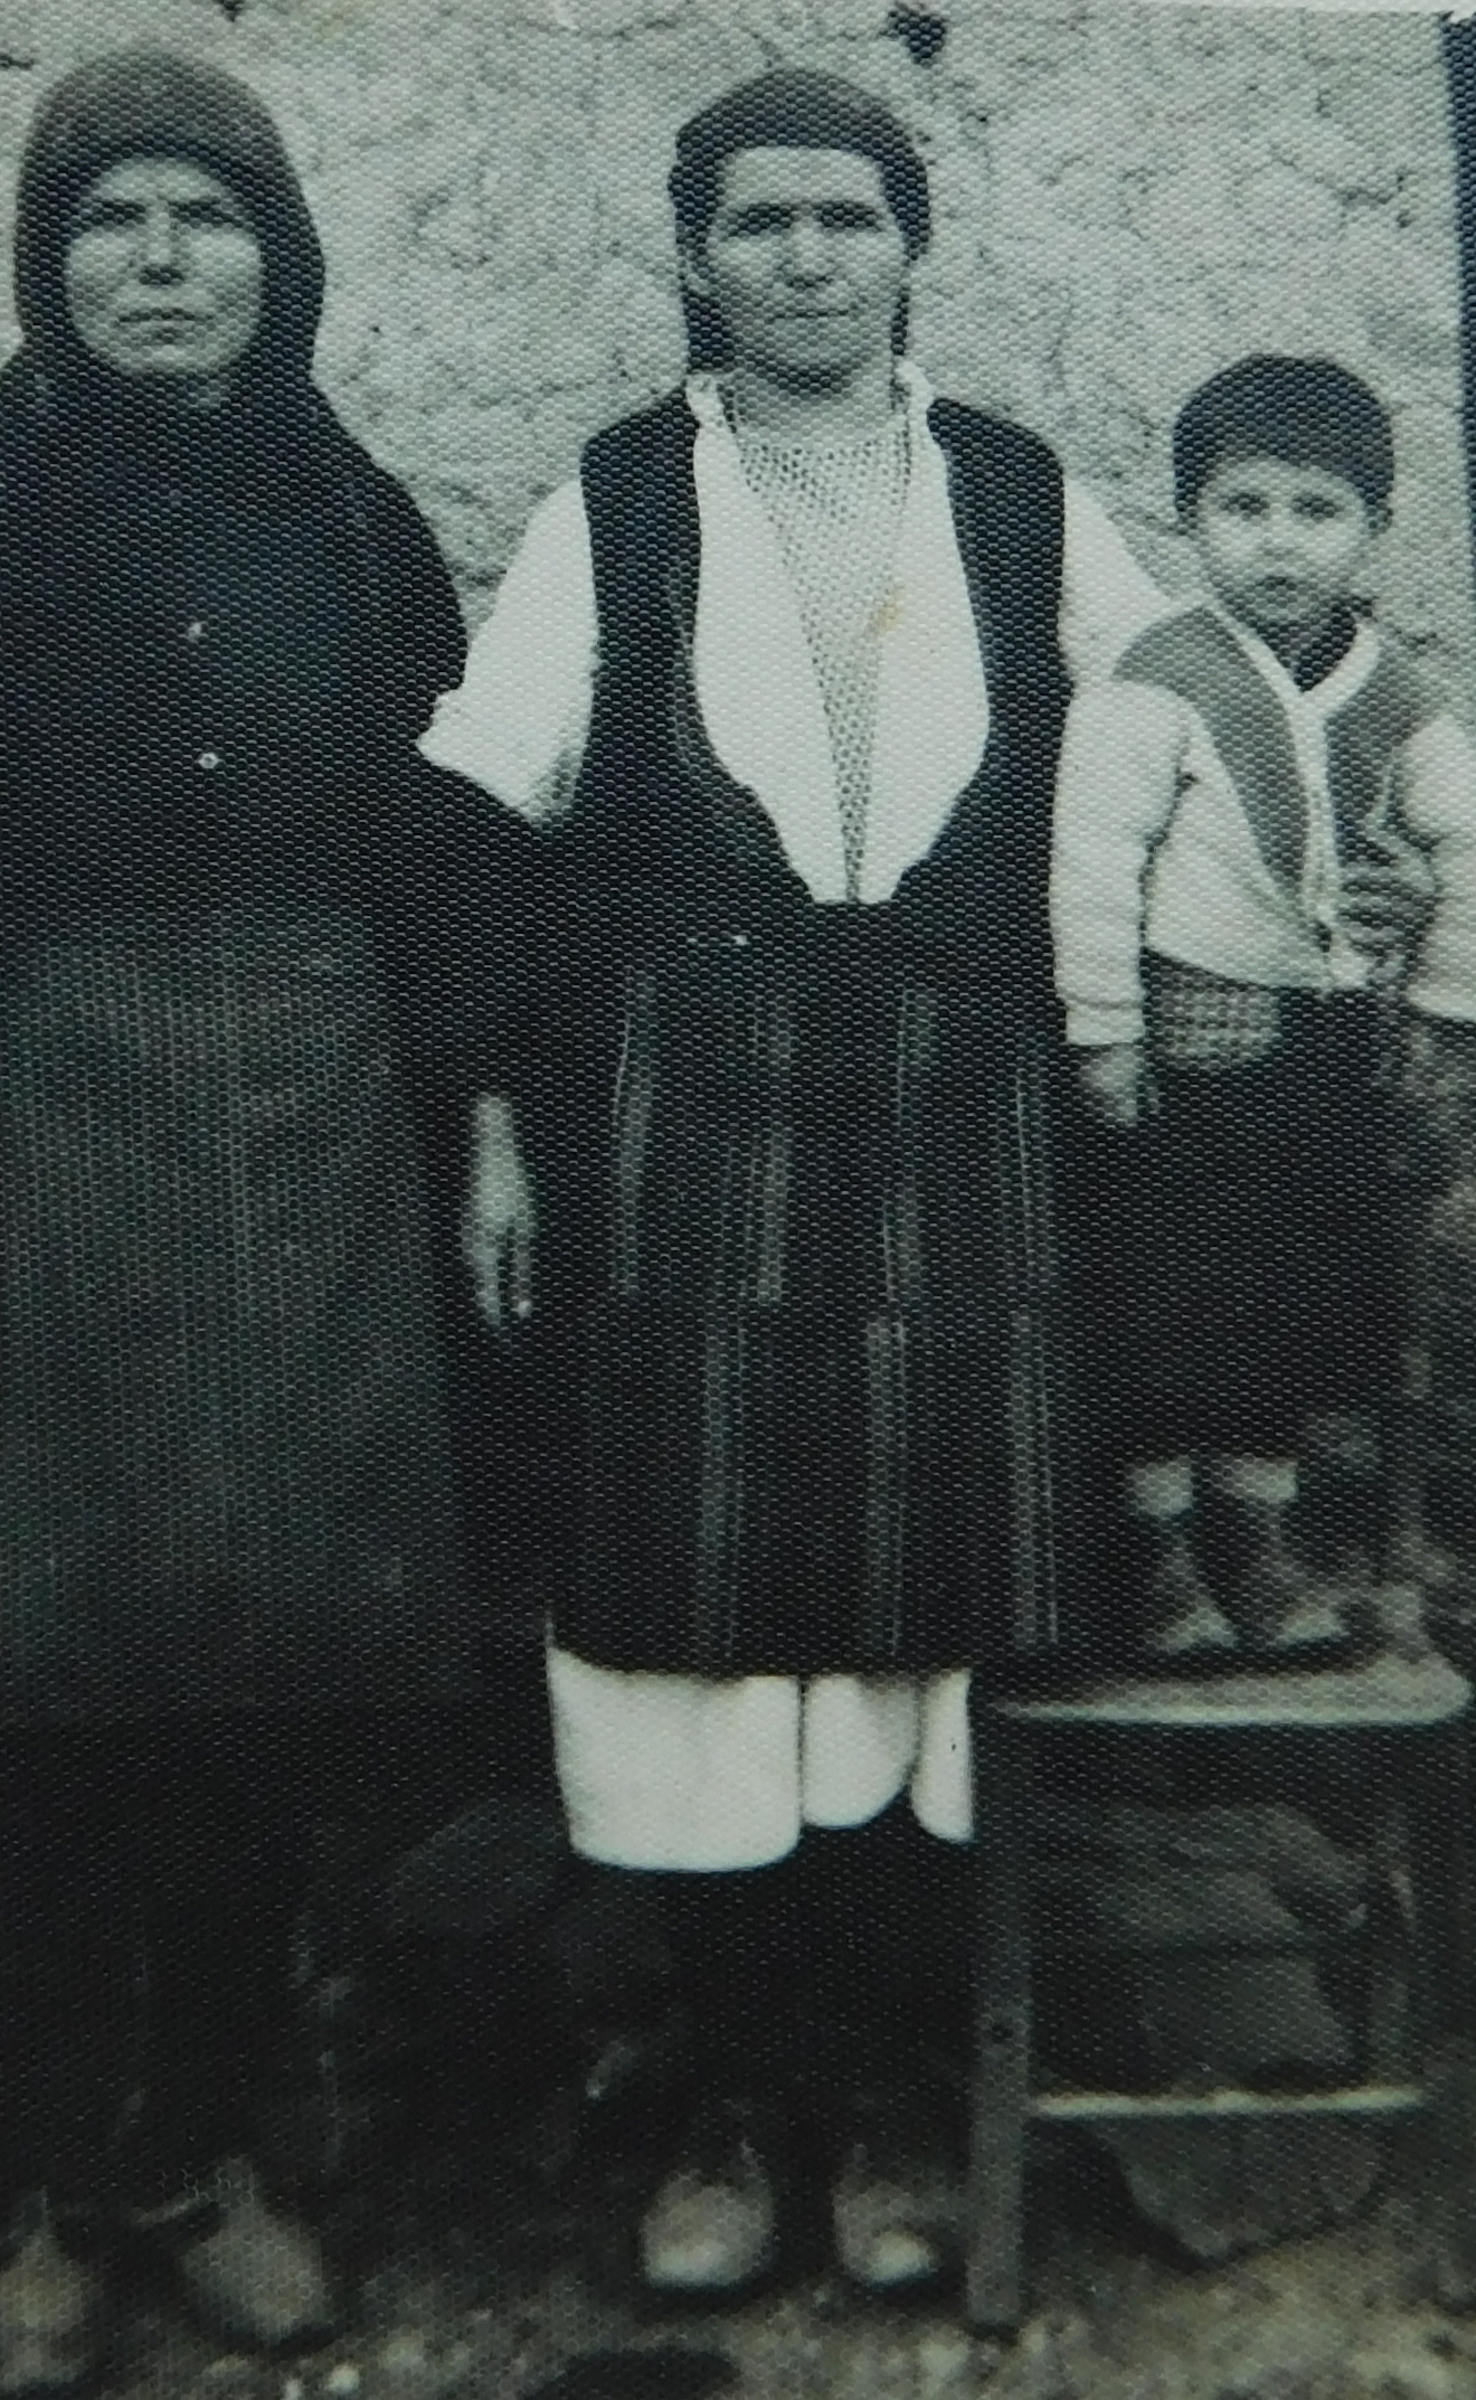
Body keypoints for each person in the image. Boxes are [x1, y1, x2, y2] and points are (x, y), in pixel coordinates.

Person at [422, 66, 1185, 2300]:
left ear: (909, 245)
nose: (805, 258)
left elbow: (1174, 741)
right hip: (696, 1148)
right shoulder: (617, 497)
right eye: (757, 222)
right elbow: (478, 824)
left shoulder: (1020, 495)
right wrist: (492, 1125)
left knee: (921, 1650)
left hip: (963, 1135)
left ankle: (892, 2115)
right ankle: (734, 2112)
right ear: (693, 256)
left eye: (846, 217)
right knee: (710, 1655)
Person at [0, 51, 498, 2394]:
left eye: (203, 218)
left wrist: (483, 1121)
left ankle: (208, 2158)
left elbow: (443, 850)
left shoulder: (349, 516)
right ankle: (36, 2185)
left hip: (318, 1120)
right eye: (109, 219)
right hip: (32, 1135)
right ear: (50, 260)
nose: (158, 261)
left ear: (274, 254)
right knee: (37, 1679)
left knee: (263, 1658)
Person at [1051, 354, 1476, 1662]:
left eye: (1316, 510)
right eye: (1242, 508)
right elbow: (1092, 860)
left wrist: (1444, 1013)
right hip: (1183, 1057)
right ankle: (1158, 1553)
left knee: (1285, 1294)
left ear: (1374, 528)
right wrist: (1104, 1031)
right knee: (1163, 1294)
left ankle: (1257, 1537)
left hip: (1328, 1050)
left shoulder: (1392, 690)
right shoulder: (1156, 676)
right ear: (1189, 518)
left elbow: (1465, 837)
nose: (1278, 542)